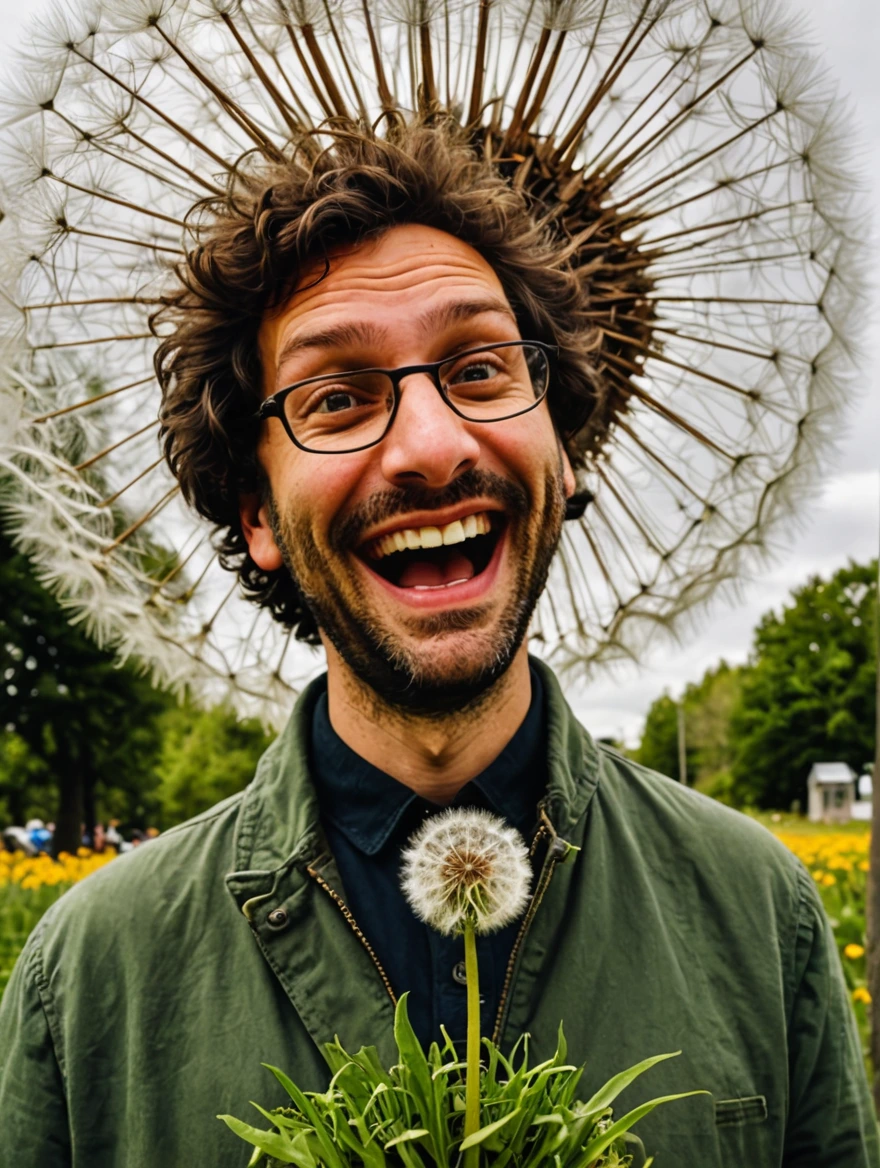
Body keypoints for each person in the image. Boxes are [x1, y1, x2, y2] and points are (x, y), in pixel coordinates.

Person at [0, 121, 876, 1168]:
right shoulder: (93, 976)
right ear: (258, 517)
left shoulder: (757, 913)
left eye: (481, 369)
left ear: (563, 451)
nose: (428, 444)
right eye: (337, 397)